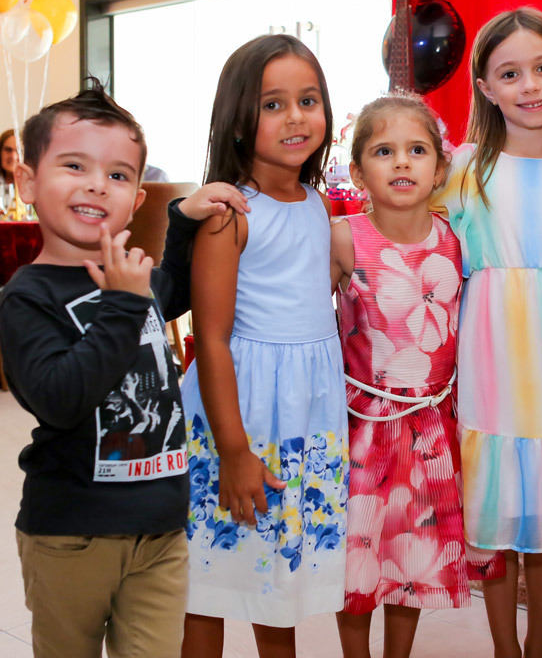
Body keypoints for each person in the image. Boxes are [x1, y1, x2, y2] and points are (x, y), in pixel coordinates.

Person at [0, 82, 249, 658]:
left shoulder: (136, 278)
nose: (96, 184)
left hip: (161, 531)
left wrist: (182, 219)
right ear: (28, 182)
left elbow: (177, 288)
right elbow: (60, 398)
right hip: (70, 535)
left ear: (136, 200)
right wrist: (122, 304)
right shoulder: (28, 297)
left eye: (117, 174)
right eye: (74, 165)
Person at [433, 7, 542, 658]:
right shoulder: (462, 170)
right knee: (497, 511)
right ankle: (505, 648)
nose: (530, 85)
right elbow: (426, 258)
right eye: (510, 74)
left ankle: (538, 645)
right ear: (485, 87)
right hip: (491, 358)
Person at [181, 34, 347, 658]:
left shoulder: (318, 204)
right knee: (212, 577)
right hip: (241, 411)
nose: (296, 117)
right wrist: (233, 450)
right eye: (273, 104)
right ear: (238, 119)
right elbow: (212, 338)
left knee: (279, 575)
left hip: (304, 412)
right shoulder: (229, 213)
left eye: (308, 100)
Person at [330, 94, 503, 658]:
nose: (402, 161)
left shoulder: (456, 240)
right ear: (359, 172)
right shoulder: (343, 237)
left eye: (417, 150)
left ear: (439, 167)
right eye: (384, 151)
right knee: (358, 561)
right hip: (363, 431)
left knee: (410, 558)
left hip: (431, 430)